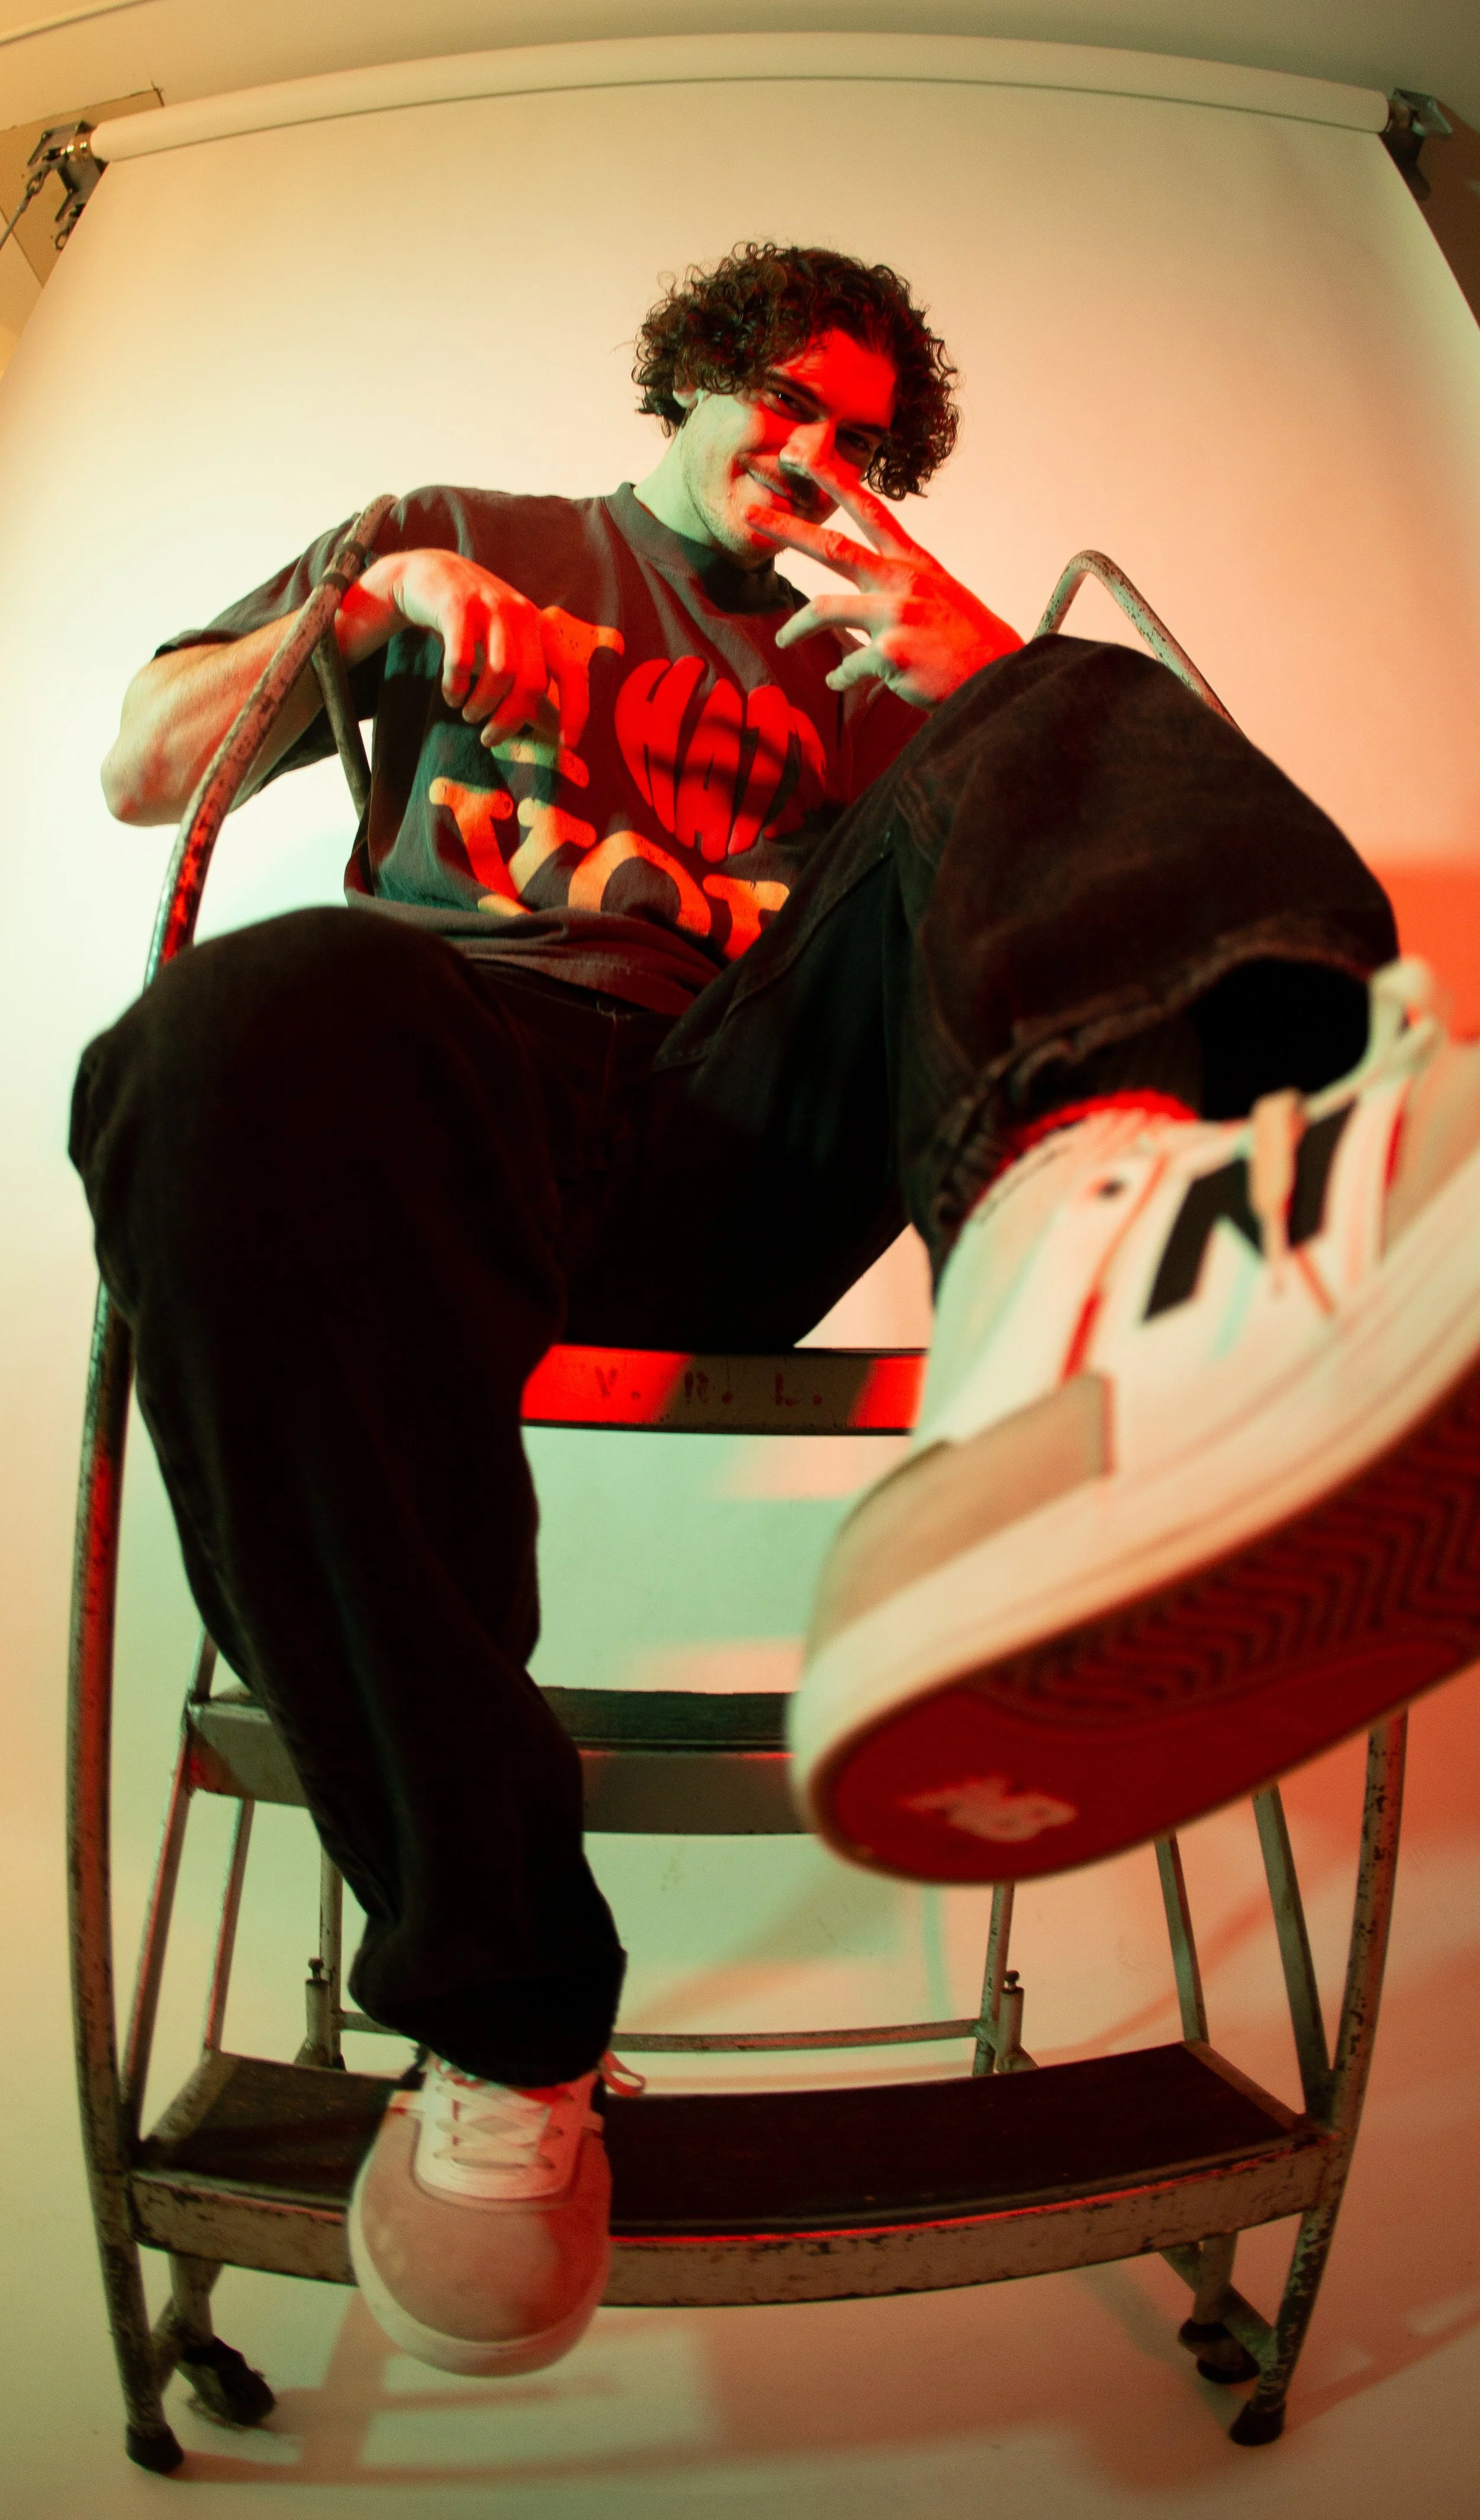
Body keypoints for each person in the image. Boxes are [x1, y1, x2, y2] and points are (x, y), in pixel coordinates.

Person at [72, 241, 1480, 2383]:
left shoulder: (877, 652)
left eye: (851, 432)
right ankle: (508, 2026)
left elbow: (1022, 867)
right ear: (687, 386)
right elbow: (139, 766)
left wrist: (981, 669)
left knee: (1078, 689)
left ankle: (1113, 1288)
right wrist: (354, 616)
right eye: (775, 404)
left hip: (735, 1130)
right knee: (237, 1019)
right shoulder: (464, 533)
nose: (803, 457)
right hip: (437, 1090)